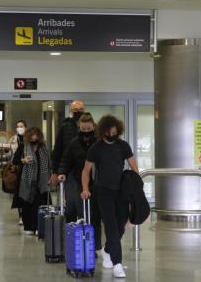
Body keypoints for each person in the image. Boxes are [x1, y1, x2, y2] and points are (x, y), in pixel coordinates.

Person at [81, 115, 139, 279]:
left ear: (118, 131)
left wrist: (136, 187)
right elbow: (86, 170)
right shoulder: (96, 147)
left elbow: (134, 165)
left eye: (114, 132)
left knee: (120, 226)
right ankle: (117, 264)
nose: (111, 134)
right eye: (108, 132)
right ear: (102, 131)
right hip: (103, 191)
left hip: (121, 191)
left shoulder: (123, 146)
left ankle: (107, 251)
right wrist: (85, 188)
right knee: (111, 227)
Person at [57, 112, 102, 252]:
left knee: (96, 214)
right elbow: (66, 160)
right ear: (79, 128)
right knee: (82, 211)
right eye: (83, 130)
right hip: (79, 181)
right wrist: (62, 173)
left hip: (98, 182)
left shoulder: (99, 142)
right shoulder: (74, 143)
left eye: (89, 129)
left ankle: (95, 246)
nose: (86, 132)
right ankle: (83, 244)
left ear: (93, 127)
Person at [12, 127, 51, 235]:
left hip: (41, 181)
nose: (34, 137)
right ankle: (28, 227)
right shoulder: (23, 146)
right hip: (27, 181)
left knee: (39, 204)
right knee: (27, 203)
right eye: (32, 135)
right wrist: (23, 160)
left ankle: (39, 226)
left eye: (36, 135)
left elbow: (49, 162)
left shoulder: (43, 147)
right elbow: (14, 160)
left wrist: (51, 176)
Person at [51, 101, 85, 221]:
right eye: (75, 109)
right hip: (69, 172)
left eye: (80, 109)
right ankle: (70, 228)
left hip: (86, 171)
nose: (78, 111)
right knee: (71, 202)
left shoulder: (91, 126)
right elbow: (57, 150)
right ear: (71, 111)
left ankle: (84, 226)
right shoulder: (65, 127)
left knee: (84, 202)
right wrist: (55, 172)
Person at [8, 120, 28, 226]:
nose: (19, 128)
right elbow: (10, 155)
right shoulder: (13, 139)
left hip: (27, 168)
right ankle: (21, 215)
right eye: (17, 126)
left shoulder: (29, 139)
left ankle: (27, 214)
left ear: (26, 127)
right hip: (17, 168)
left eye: (21, 126)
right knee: (19, 193)